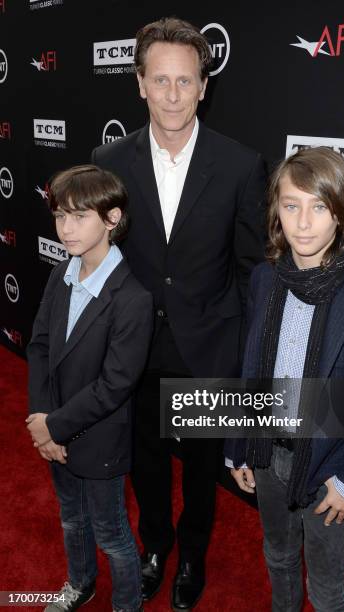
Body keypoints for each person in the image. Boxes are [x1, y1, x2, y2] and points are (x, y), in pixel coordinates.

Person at [91, 16, 266, 610]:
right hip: (134, 349)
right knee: (144, 461)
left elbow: (251, 272)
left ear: (203, 86)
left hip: (206, 347)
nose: (172, 95)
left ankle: (192, 552)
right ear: (139, 82)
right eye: (160, 80)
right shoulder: (107, 160)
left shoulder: (242, 165)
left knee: (198, 468)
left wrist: (245, 362)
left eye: (184, 81)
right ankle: (155, 546)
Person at [225, 147, 344, 611]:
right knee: (278, 557)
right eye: (292, 205)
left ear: (343, 214)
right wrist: (237, 444)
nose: (303, 222)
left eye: (319, 206)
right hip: (268, 454)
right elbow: (252, 368)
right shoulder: (265, 279)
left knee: (328, 591)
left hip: (331, 463)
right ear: (276, 213)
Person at [26, 165, 153, 612]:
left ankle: (126, 604)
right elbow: (39, 347)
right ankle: (80, 584)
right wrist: (40, 421)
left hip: (98, 439)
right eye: (60, 216)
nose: (66, 228)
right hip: (54, 431)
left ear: (112, 218)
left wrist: (54, 426)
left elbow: (115, 385)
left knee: (112, 533)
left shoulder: (133, 299)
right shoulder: (61, 274)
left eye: (79, 216)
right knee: (71, 519)